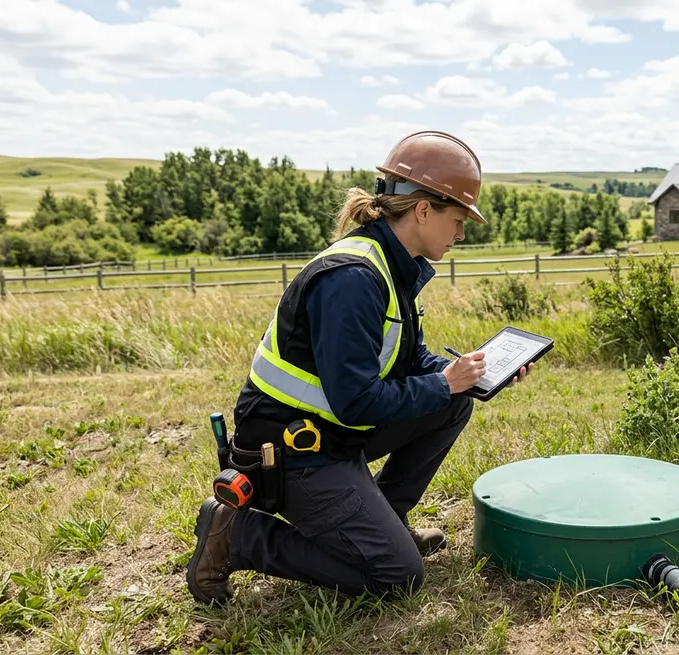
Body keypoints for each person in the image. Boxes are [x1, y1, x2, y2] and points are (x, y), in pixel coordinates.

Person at [185, 130, 532, 606]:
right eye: (457, 219)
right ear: (423, 210)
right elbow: (355, 401)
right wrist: (443, 383)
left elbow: (407, 364)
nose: (461, 234)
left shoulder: (393, 266)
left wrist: (470, 375)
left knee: (450, 403)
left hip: (331, 436)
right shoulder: (354, 279)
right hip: (294, 453)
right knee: (396, 576)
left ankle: (384, 518)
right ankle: (239, 535)